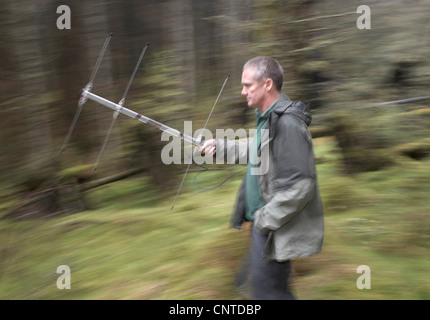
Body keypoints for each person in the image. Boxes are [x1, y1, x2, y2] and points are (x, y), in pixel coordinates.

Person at [200, 56, 324, 300]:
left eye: (248, 85)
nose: (242, 91)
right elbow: (255, 148)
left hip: (272, 227)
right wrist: (220, 146)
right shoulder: (268, 119)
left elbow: (301, 186)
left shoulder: (287, 124)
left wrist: (264, 220)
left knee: (268, 294)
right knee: (248, 284)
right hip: (264, 225)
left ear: (267, 84)